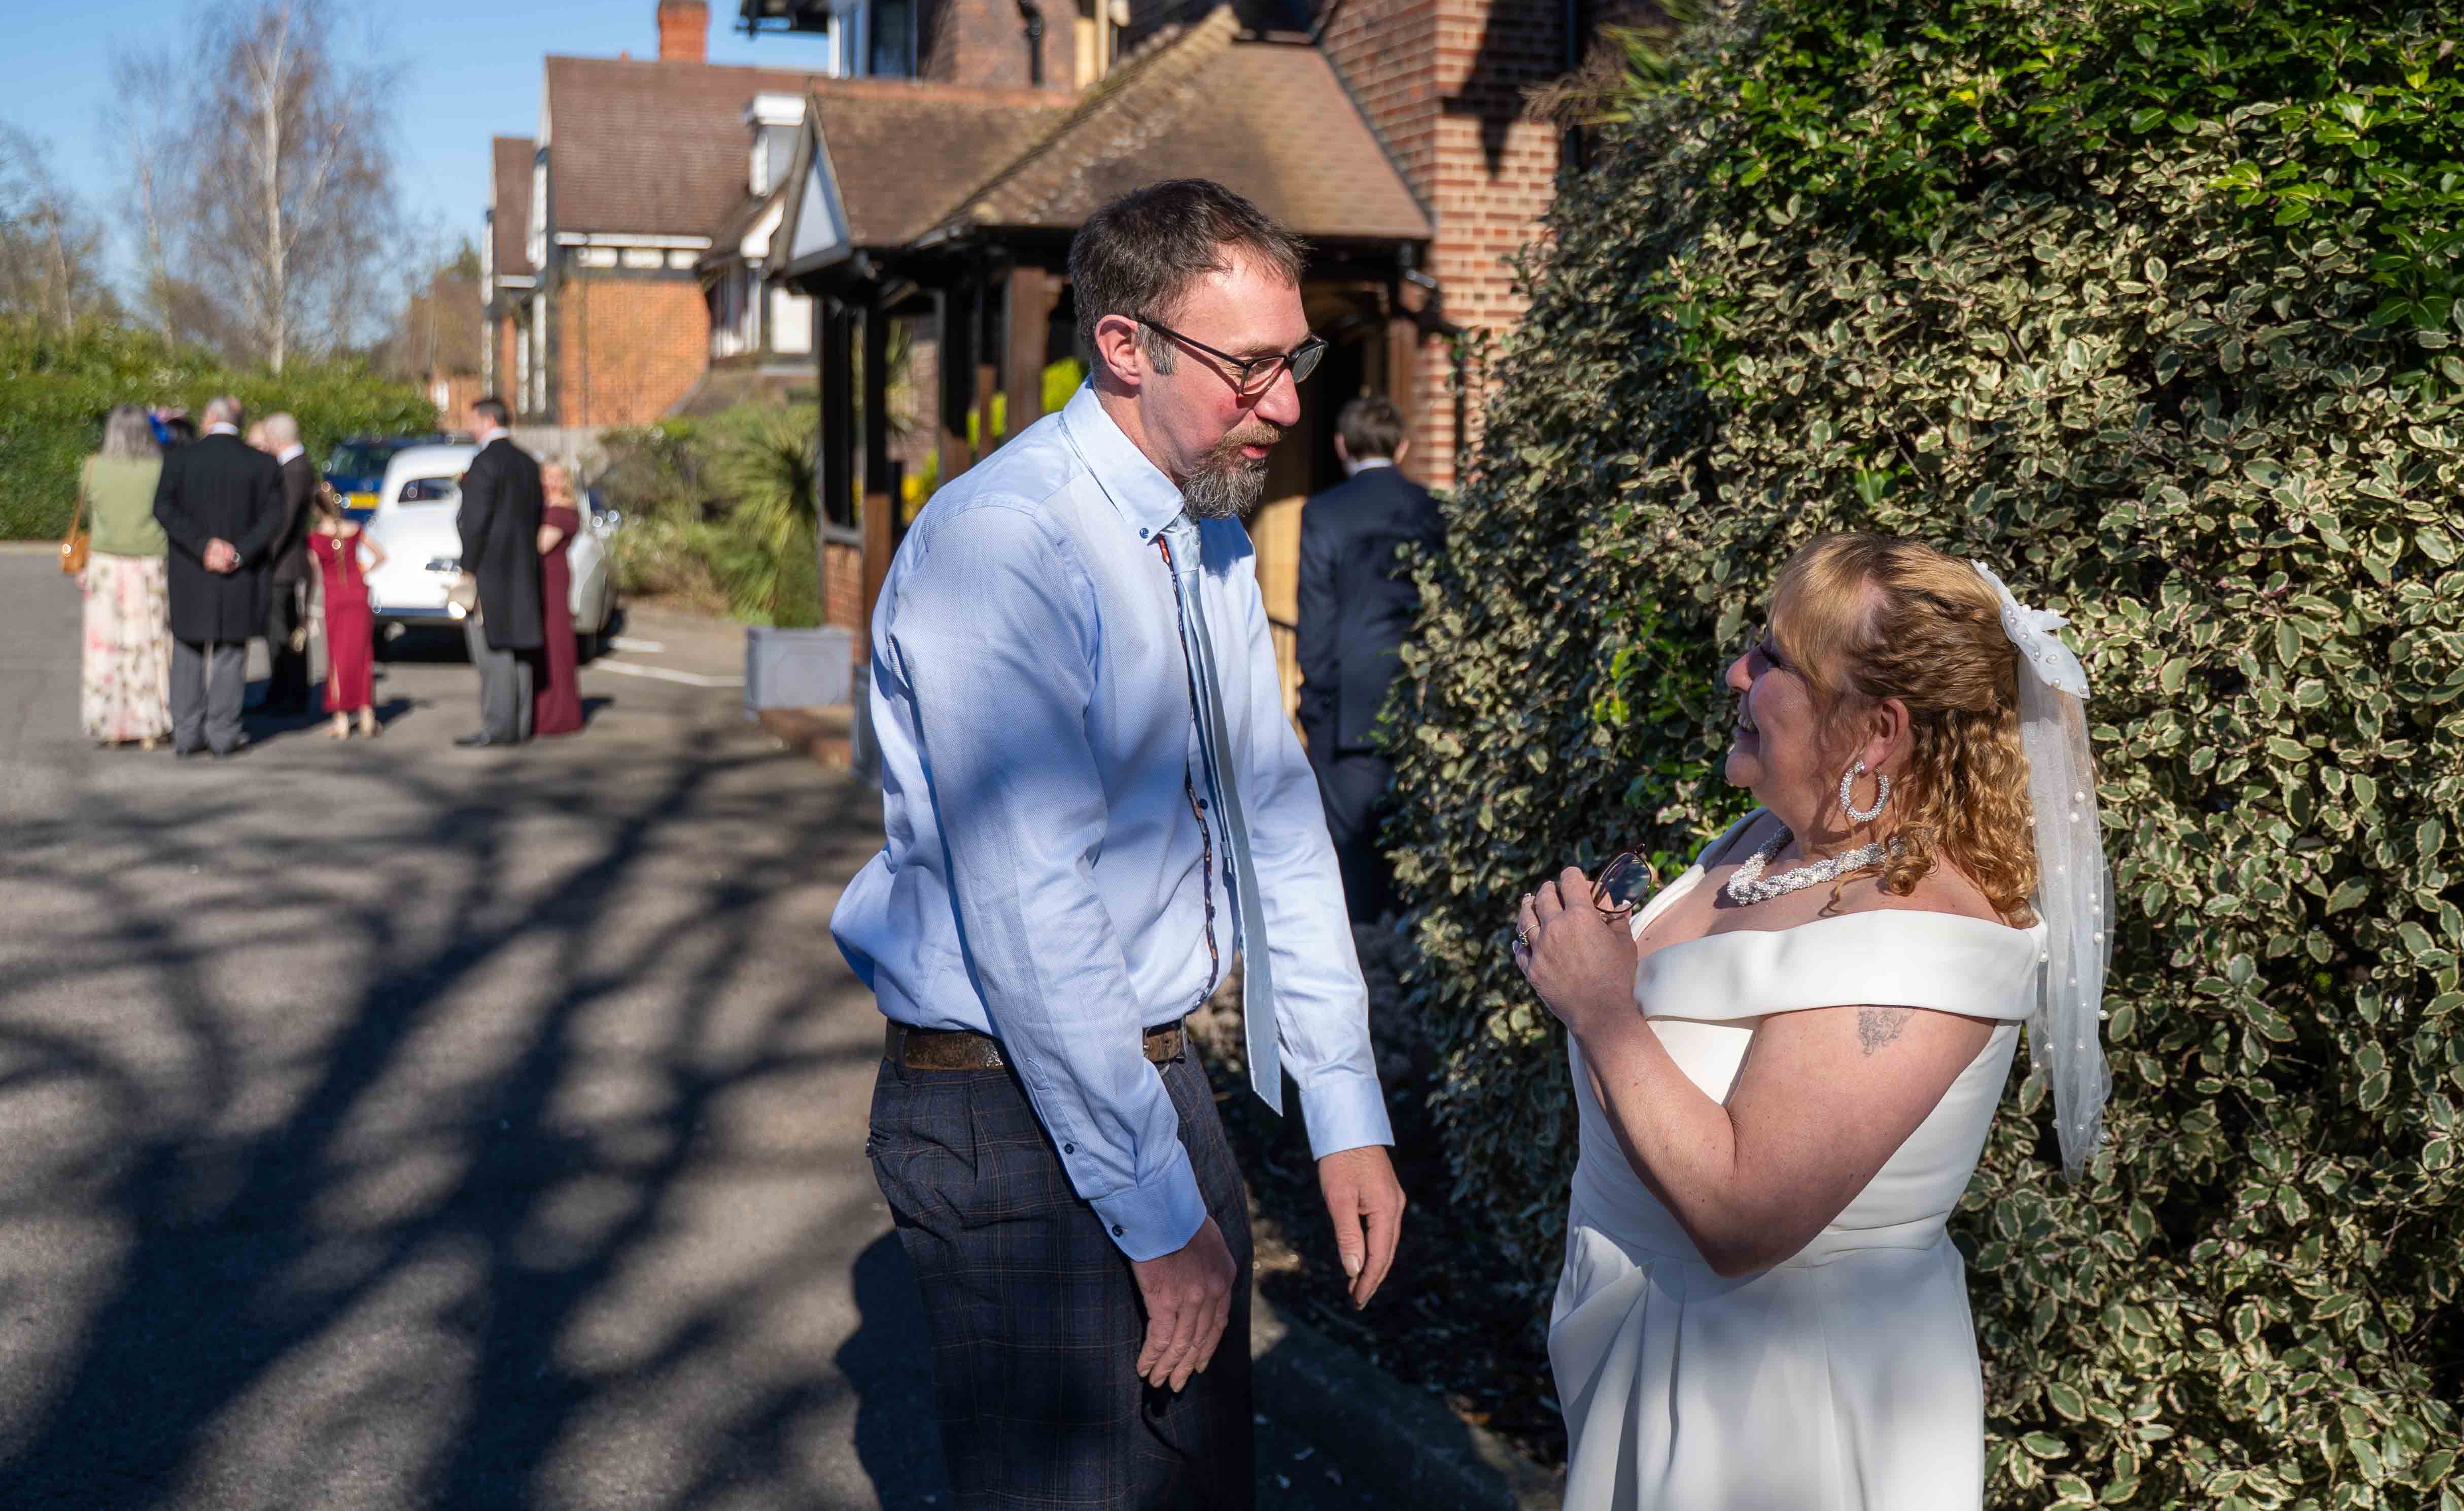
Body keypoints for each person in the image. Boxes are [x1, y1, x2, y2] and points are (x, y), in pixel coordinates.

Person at [835, 179, 1405, 1511]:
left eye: (1295, 359)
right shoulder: (1005, 545)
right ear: (1126, 345)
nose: (1286, 404)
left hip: (1143, 1086)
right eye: (1251, 366)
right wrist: (1159, 1220)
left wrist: (1344, 1109)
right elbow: (1037, 918)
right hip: (1008, 1109)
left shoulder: (1199, 529)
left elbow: (1275, 826)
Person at [1512, 533, 2110, 1511]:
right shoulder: (1763, 843)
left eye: (1776, 657)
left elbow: (1744, 1217)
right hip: (1653, 1358)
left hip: (1776, 1414)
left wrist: (1603, 1010)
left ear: (1875, 733)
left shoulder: (1924, 943)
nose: (1735, 671)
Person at [1292, 393, 1442, 922]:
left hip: (1346, 715)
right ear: (1402, 446)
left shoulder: (1323, 512)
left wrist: (1313, 705)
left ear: (1340, 445)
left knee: (1350, 865)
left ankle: (1365, 971)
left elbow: (1315, 619)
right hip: (1425, 711)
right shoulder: (1433, 510)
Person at [151, 395, 286, 760]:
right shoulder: (263, 464)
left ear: (209, 417)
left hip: (191, 571)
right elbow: (274, 518)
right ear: (237, 423)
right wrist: (238, 551)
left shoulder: (179, 460)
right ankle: (223, 734)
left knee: (188, 649)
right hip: (239, 574)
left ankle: (187, 733)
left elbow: (162, 508)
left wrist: (202, 546)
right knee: (229, 653)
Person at [76, 404, 173, 747]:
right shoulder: (159, 468)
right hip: (149, 561)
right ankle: (150, 723)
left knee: (107, 646)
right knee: (148, 644)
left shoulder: (93, 467)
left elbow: (93, 514)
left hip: (105, 562)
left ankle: (110, 724)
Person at [452, 397, 542, 748]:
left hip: (491, 569)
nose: (469, 426)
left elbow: (474, 523)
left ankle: (498, 728)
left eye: (472, 420)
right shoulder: (527, 462)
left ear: (488, 420)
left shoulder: (485, 463)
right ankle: (520, 724)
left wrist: (468, 569)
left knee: (493, 649)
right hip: (523, 566)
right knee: (519, 648)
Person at [306, 485, 380, 739]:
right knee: (362, 653)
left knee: (337, 656)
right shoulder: (355, 530)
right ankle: (367, 716)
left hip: (335, 597)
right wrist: (363, 571)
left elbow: (315, 571)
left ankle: (341, 721)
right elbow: (381, 556)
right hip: (358, 593)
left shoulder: (316, 537)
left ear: (317, 509)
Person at [254, 412, 317, 713]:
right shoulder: (297, 466)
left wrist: (263, 555)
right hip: (288, 563)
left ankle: (288, 695)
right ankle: (287, 692)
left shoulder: (294, 470)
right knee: (286, 629)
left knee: (282, 632)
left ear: (278, 439)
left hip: (283, 566)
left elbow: (285, 520)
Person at [531, 461, 584, 738]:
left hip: (553, 580)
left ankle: (559, 715)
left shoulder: (562, 510)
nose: (551, 482)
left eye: (556, 477)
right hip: (541, 580)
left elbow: (540, 544)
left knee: (556, 643)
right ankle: (543, 712)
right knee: (544, 644)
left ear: (566, 481)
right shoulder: (545, 504)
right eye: (547, 476)